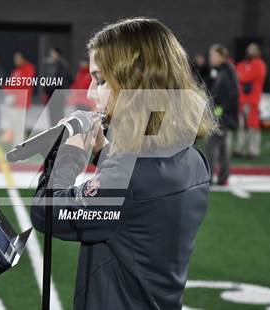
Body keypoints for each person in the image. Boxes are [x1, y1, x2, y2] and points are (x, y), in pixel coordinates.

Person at [31, 18, 216, 310]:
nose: (91, 92)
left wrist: (67, 156)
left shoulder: (129, 179)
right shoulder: (193, 158)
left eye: (101, 80)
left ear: (136, 83)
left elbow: (45, 212)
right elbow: (136, 201)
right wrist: (102, 151)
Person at [205, 44, 239, 185]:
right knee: (223, 147)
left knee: (211, 145)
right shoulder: (222, 70)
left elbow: (233, 95)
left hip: (222, 117)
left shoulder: (228, 72)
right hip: (223, 115)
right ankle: (223, 177)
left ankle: (209, 177)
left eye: (213, 55)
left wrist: (219, 113)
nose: (210, 58)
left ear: (221, 56)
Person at [234, 43, 267, 158]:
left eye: (252, 50)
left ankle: (253, 151)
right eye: (248, 50)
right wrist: (240, 74)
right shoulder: (244, 64)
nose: (249, 52)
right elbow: (236, 73)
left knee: (253, 127)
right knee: (242, 126)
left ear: (258, 52)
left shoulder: (259, 64)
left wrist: (241, 75)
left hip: (252, 101)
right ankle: (240, 149)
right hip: (242, 100)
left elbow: (244, 77)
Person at [1, 52, 36, 144]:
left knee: (19, 128)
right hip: (14, 103)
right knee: (16, 127)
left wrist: (9, 89)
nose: (15, 60)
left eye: (17, 58)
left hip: (21, 103)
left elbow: (23, 85)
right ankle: (19, 149)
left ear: (23, 59)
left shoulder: (28, 69)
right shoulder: (17, 70)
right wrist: (6, 87)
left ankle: (20, 151)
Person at [43, 47, 71, 126]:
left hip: (58, 93)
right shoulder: (50, 65)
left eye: (53, 53)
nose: (52, 55)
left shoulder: (62, 65)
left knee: (58, 113)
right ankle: (53, 128)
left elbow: (65, 80)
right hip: (50, 93)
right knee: (51, 113)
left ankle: (59, 128)